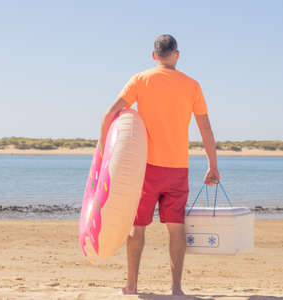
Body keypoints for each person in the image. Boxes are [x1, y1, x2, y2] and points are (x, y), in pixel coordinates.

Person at [98, 34, 219, 295]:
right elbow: (205, 127)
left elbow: (110, 114)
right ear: (177, 54)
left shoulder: (141, 79)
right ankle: (176, 289)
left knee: (137, 227)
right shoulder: (192, 85)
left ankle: (131, 286)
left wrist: (102, 153)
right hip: (178, 168)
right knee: (176, 228)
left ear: (154, 56)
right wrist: (212, 165)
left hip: (146, 168)